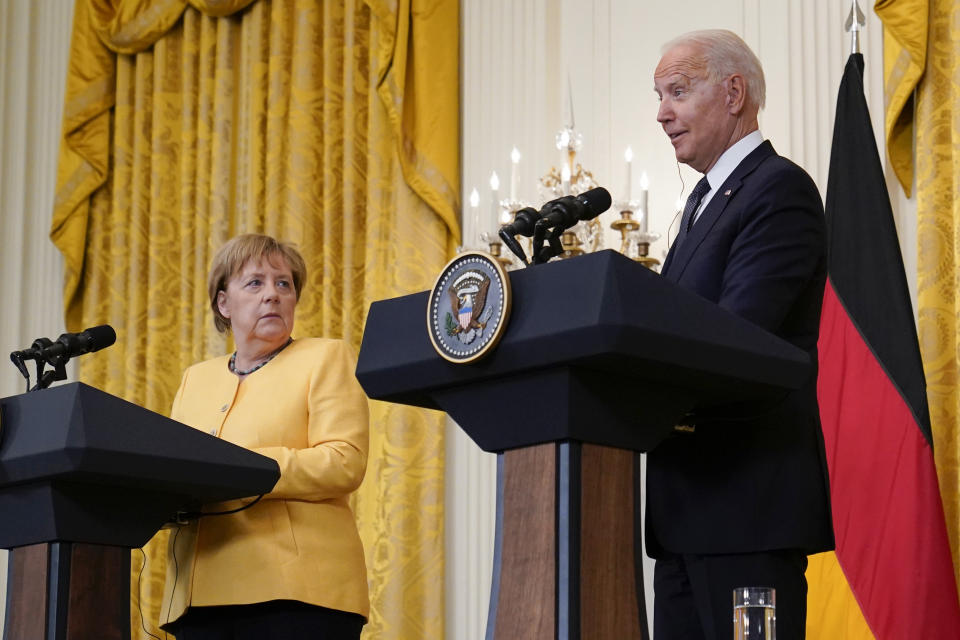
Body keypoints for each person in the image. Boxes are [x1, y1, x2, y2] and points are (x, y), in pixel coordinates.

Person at [645, 30, 834, 640]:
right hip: (685, 516)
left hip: (747, 515)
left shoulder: (777, 189)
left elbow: (737, 337)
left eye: (677, 91)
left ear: (733, 93)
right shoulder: (703, 203)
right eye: (659, 96)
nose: (662, 113)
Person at [159, 233, 370, 639]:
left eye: (283, 283)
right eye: (255, 283)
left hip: (299, 595)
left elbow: (345, 462)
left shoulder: (324, 357)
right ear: (224, 303)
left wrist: (242, 467)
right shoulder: (194, 380)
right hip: (198, 598)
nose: (272, 294)